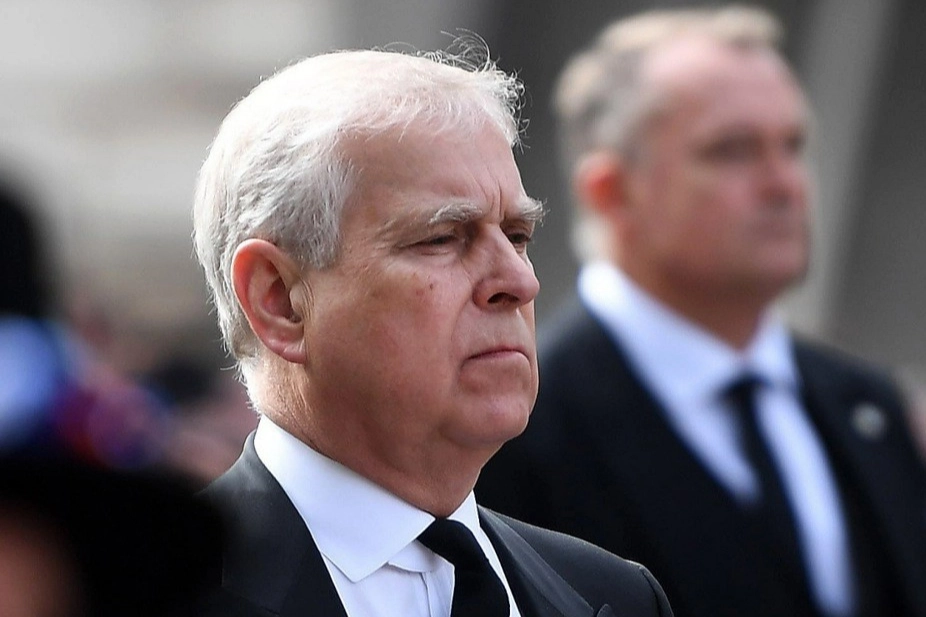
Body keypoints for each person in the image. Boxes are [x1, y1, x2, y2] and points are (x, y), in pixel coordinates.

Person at [190, 43, 673, 617]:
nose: (519, 281)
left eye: (517, 236)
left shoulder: (617, 596)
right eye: (442, 238)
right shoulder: (145, 595)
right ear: (279, 301)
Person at [476, 6, 926, 617]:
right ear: (611, 191)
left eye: (793, 146)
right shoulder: (517, 426)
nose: (784, 183)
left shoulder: (867, 406)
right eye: (733, 151)